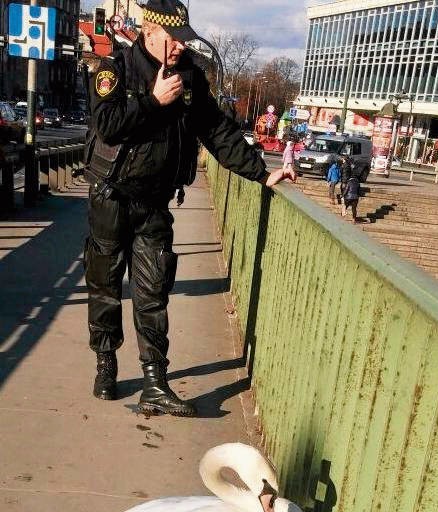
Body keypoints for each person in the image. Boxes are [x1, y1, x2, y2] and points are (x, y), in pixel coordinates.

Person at [85, 0, 295, 417]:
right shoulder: (116, 70)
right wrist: (153, 102)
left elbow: (217, 131)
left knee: (153, 292)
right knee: (105, 287)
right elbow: (105, 123)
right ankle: (105, 363)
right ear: (149, 31)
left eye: (184, 39)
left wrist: (259, 172)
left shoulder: (190, 78)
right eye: (171, 39)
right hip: (111, 197)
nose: (179, 47)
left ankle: (154, 383)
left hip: (155, 204)